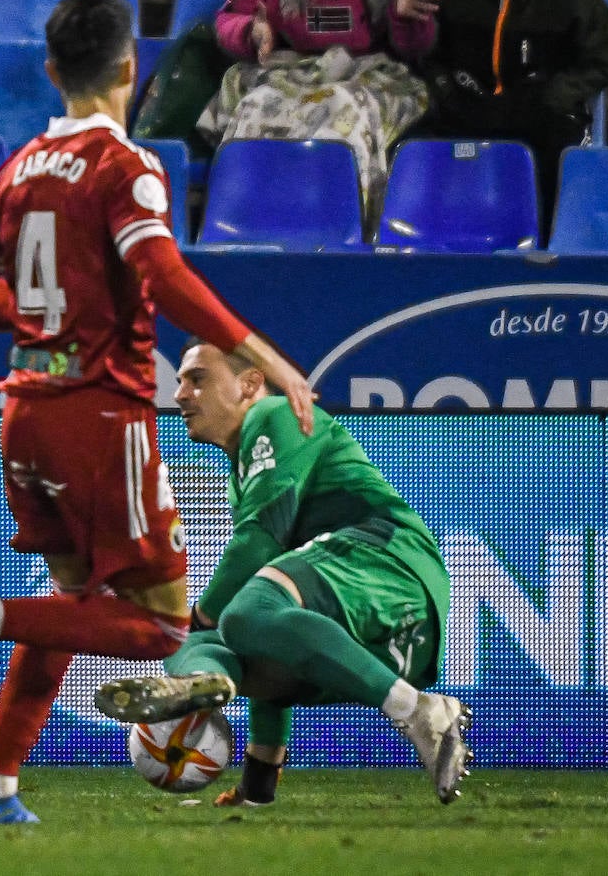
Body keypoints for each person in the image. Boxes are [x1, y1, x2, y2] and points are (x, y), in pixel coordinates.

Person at [0, 0, 317, 825]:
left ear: (51, 70)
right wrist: (267, 357)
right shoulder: (125, 164)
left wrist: (35, 332)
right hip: (100, 418)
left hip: (22, 411)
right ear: (133, 68)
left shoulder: (17, 168)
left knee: (72, 611)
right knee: (166, 630)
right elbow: (164, 276)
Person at [93, 337, 472, 807]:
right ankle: (201, 682)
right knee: (222, 635)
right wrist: (257, 789)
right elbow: (272, 635)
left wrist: (199, 615)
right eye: (179, 383)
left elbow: (259, 540)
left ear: (250, 383)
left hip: (390, 567)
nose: (180, 395)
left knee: (231, 618)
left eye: (197, 379)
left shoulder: (273, 416)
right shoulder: (243, 467)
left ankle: (419, 712)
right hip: (378, 652)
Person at [200, 0, 440, 219]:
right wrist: (251, 31)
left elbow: (417, 47)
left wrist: (402, 15)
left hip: (371, 74)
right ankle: (246, 225)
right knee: (255, 108)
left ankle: (340, 225)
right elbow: (231, 17)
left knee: (345, 115)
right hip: (293, 69)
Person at [419, 0, 608, 238]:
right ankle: (433, 245)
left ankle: (547, 248)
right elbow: (427, 54)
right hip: (467, 105)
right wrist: (446, 88)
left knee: (558, 150)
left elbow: (602, 62)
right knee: (413, 146)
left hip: (539, 112)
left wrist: (556, 96)